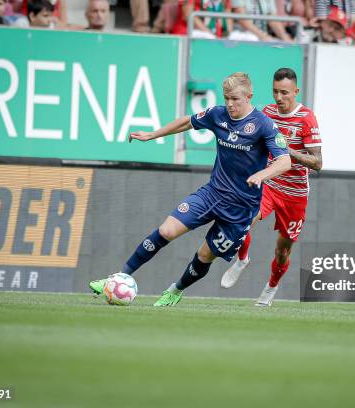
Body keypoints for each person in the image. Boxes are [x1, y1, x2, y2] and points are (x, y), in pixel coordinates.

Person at [89, 73, 291, 307]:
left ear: (249, 96)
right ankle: (118, 278)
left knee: (205, 256)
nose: (230, 104)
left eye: (235, 98)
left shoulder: (264, 124)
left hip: (241, 209)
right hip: (211, 194)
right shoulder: (218, 114)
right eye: (226, 98)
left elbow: (284, 161)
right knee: (166, 230)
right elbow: (188, 121)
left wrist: (261, 175)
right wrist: (153, 134)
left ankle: (176, 289)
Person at [220, 68, 323, 307]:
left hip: (295, 193)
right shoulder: (266, 112)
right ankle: (242, 259)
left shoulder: (306, 118)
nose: (279, 97)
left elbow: (317, 162)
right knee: (242, 222)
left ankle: (271, 288)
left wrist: (289, 152)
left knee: (282, 251)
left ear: (295, 92)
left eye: (285, 92)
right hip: (269, 183)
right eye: (275, 92)